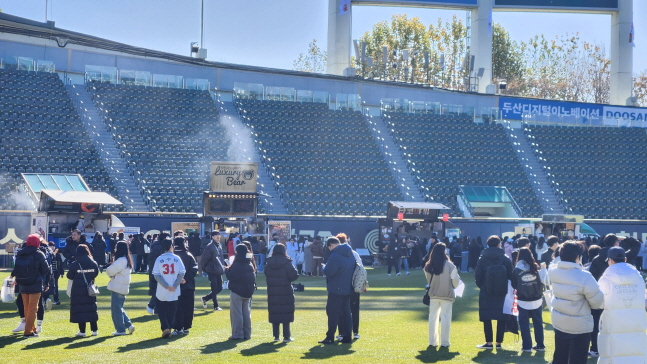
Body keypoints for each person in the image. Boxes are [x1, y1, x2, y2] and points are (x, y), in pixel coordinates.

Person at [548, 241, 604, 364]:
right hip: (579, 324)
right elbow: (597, 302)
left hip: (560, 321)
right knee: (577, 359)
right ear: (578, 257)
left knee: (560, 356)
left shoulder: (553, 271)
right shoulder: (584, 276)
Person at [596, 246, 647, 362]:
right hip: (636, 321)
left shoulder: (606, 279)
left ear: (610, 260)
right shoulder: (638, 277)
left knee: (612, 352)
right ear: (625, 259)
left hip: (613, 322)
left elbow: (599, 302)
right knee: (636, 352)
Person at [474, 235, 513, 350]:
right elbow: (510, 275)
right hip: (502, 291)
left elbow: (478, 276)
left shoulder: (482, 258)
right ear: (498, 244)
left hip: (486, 290)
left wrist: (483, 286)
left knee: (487, 317)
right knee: (501, 317)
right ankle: (499, 342)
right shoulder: (505, 258)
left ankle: (489, 342)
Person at [10, 234, 50, 338]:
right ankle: (28, 332)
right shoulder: (39, 254)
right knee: (33, 309)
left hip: (23, 283)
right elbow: (45, 270)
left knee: (27, 308)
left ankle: (32, 329)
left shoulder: (20, 253)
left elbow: (16, 268)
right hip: (35, 284)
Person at [318, 236, 355, 344]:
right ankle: (347, 336)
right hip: (347, 287)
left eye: (329, 247)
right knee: (347, 313)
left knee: (332, 313)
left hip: (335, 288)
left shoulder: (335, 255)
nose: (329, 249)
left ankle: (330, 337)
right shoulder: (350, 253)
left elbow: (329, 272)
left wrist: (323, 267)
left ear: (331, 245)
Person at [587, 233, 619, 358]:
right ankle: (611, 348)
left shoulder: (596, 258)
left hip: (599, 295)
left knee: (596, 324)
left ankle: (595, 348)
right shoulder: (620, 258)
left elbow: (592, 279)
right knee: (612, 324)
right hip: (614, 296)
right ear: (616, 242)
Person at [511, 247, 548, 353]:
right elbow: (544, 280)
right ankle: (540, 345)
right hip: (536, 300)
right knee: (538, 323)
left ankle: (527, 346)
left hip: (522, 300)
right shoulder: (535, 267)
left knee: (524, 324)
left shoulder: (517, 270)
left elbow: (514, 285)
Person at [424, 242, 460, 347]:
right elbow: (456, 281)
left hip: (433, 294)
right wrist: (452, 286)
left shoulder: (429, 266)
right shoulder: (450, 265)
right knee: (446, 318)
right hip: (447, 295)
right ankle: (445, 342)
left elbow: (428, 280)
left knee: (432, 319)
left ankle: (432, 341)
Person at [152, 238, 186, 338]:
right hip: (175, 289)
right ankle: (169, 328)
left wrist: (166, 286)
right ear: (171, 246)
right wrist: (175, 285)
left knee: (161, 309)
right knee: (172, 309)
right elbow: (181, 273)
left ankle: (166, 328)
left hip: (162, 289)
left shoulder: (159, 259)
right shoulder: (177, 258)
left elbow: (157, 275)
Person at [264, 243, 298, 342]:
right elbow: (294, 276)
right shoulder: (287, 263)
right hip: (285, 290)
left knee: (275, 312)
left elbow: (267, 274)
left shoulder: (269, 263)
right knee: (286, 313)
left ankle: (276, 336)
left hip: (273, 291)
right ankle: (286, 336)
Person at [67, 244, 100, 337]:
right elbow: (95, 273)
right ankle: (94, 330)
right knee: (91, 309)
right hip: (90, 289)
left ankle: (82, 331)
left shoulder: (75, 264)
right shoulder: (93, 263)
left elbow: (70, 276)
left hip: (78, 290)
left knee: (80, 309)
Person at [226, 244, 256, 340]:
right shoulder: (250, 263)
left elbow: (231, 276)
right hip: (248, 291)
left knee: (237, 314)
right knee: (246, 313)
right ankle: (247, 334)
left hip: (237, 291)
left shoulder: (237, 264)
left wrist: (227, 269)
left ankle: (238, 334)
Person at [106, 241, 135, 336]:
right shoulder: (127, 259)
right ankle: (129, 325)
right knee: (119, 308)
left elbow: (109, 271)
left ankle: (120, 329)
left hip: (118, 287)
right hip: (123, 287)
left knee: (116, 310)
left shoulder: (121, 260)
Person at [337, 233, 363, 340]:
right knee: (354, 309)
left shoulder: (336, 255)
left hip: (341, 286)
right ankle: (355, 332)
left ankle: (342, 333)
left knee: (341, 310)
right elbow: (361, 270)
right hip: (354, 286)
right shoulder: (354, 254)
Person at [172, 237, 198, 335]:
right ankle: (186, 327)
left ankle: (177, 328)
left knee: (177, 308)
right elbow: (194, 269)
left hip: (174, 286)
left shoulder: (173, 256)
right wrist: (186, 279)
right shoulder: (189, 255)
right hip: (188, 286)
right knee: (188, 307)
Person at [201, 231, 226, 311]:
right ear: (212, 237)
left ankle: (205, 298)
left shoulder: (219, 246)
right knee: (214, 287)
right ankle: (215, 305)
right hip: (211, 270)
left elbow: (220, 258)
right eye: (216, 235)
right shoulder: (210, 247)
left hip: (218, 269)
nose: (218, 236)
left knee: (219, 287)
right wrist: (205, 268)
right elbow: (204, 259)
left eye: (219, 235)